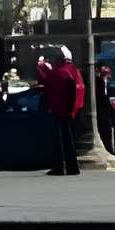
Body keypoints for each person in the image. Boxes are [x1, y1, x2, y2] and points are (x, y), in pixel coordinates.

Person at [37, 46, 85, 175]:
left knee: (59, 140)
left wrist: (42, 68)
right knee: (69, 140)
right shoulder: (73, 71)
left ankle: (59, 166)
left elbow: (46, 86)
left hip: (59, 109)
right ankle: (72, 167)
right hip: (70, 109)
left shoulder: (58, 73)